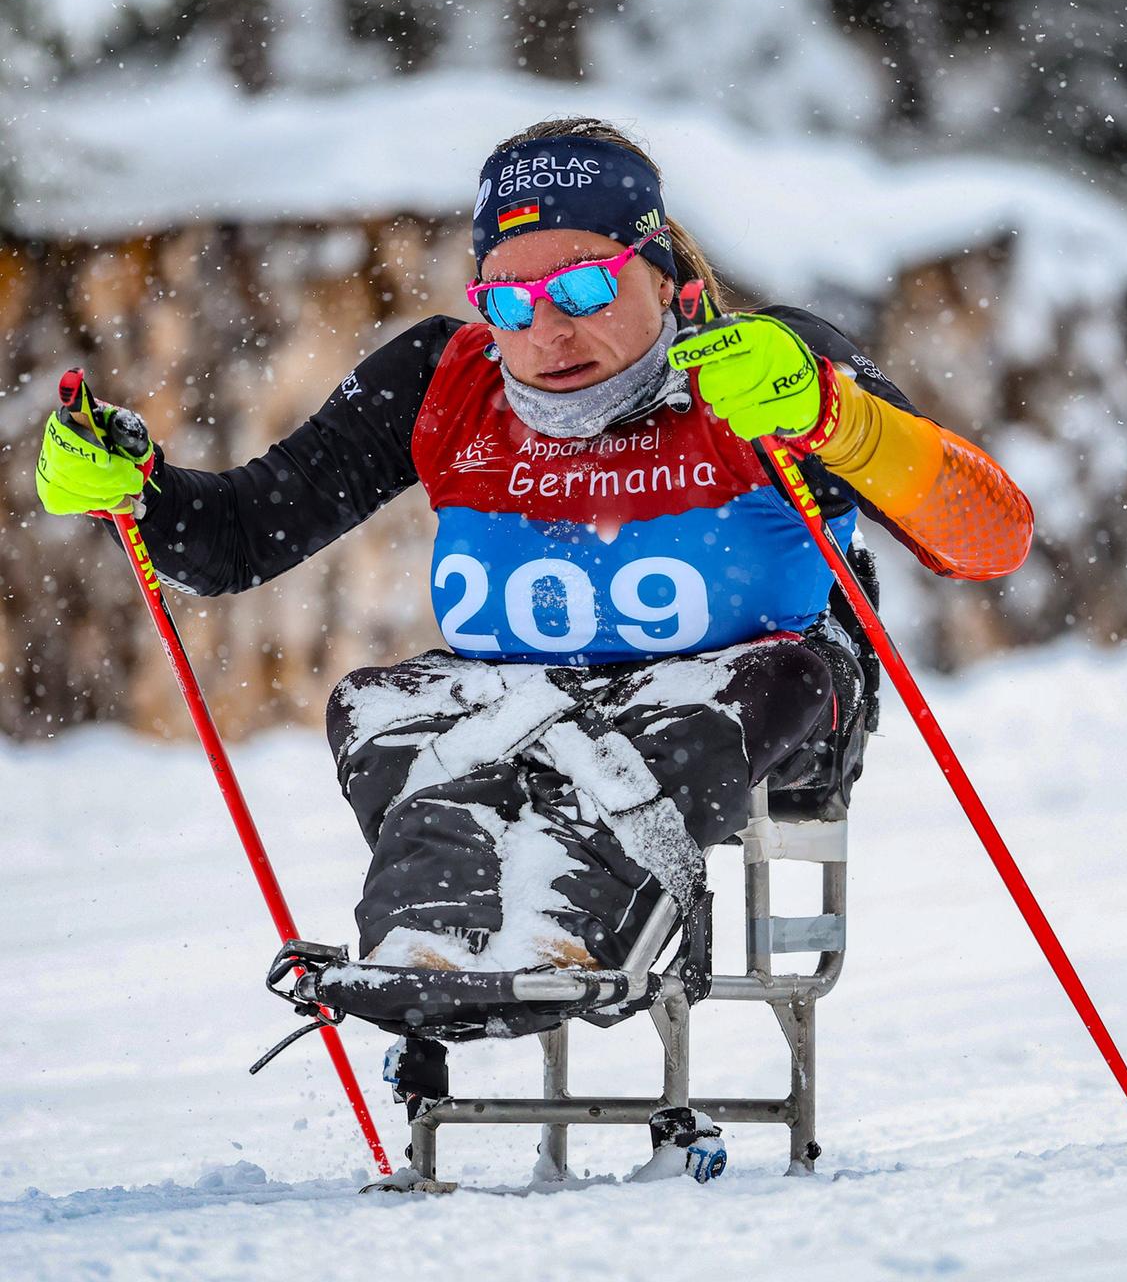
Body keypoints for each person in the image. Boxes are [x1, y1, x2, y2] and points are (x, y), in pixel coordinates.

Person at [36, 117, 1033, 1003]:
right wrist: (135, 488)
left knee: (717, 700)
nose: (549, 331)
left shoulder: (764, 365)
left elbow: (989, 537)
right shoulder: (444, 380)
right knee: (377, 706)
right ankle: (429, 942)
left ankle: (558, 932)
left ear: (669, 278)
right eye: (511, 305)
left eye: (587, 287)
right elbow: (238, 539)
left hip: (758, 698)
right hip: (526, 707)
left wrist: (836, 417)